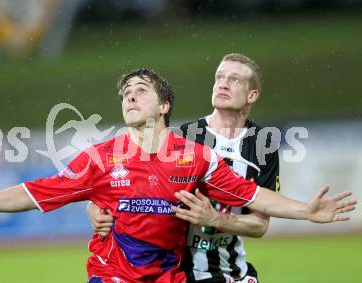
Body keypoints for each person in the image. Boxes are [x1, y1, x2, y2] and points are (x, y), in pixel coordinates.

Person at [0, 68, 356, 283]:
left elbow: (253, 196)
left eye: (140, 90)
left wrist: (305, 210)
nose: (130, 95)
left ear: (164, 105)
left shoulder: (196, 159)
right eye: (125, 93)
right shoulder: (101, 158)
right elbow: (35, 193)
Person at [87, 54, 279, 283]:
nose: (223, 84)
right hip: (181, 273)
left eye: (235, 79)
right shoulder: (184, 137)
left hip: (234, 272)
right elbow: (128, 186)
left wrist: (216, 219)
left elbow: (260, 225)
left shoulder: (263, 145)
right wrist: (93, 210)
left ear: (252, 95)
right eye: (219, 77)